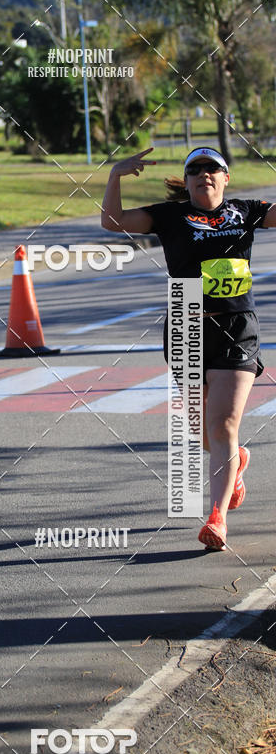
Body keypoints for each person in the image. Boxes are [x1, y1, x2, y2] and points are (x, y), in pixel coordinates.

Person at [102, 146, 276, 550]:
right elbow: (112, 222)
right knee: (202, 432)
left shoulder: (245, 211)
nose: (203, 175)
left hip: (236, 327)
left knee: (223, 425)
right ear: (189, 182)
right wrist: (114, 176)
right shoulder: (171, 216)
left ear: (225, 178)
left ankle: (216, 519)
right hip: (185, 325)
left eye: (212, 168)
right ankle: (236, 461)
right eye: (194, 170)